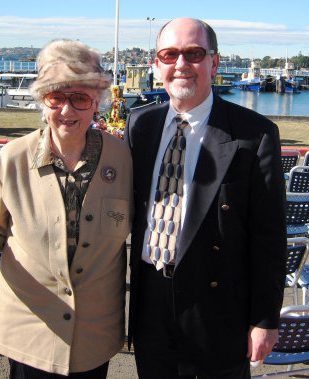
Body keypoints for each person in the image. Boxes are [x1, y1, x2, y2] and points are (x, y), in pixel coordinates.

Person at [0, 39, 133, 378]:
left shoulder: (123, 158)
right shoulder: (14, 157)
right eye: (56, 97)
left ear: (96, 103)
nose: (67, 110)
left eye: (79, 98)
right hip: (31, 334)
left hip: (95, 337)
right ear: (42, 102)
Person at [125, 17, 286, 378]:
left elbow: (270, 237)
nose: (181, 64)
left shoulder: (253, 134)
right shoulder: (140, 125)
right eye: (169, 54)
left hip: (217, 313)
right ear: (156, 64)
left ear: (214, 62)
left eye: (194, 53)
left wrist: (265, 319)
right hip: (150, 305)